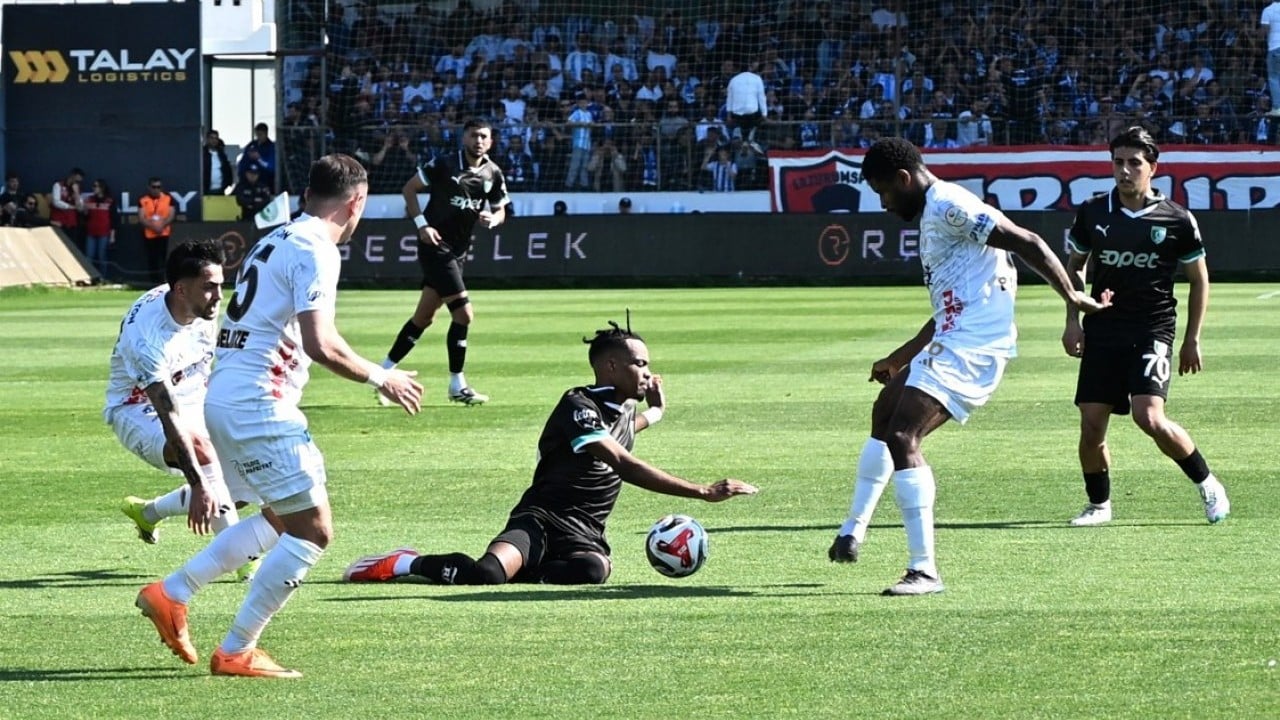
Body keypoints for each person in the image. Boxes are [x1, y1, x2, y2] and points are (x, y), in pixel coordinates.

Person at [134, 154, 423, 679]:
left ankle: (171, 592)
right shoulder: (318, 249)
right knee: (313, 532)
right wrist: (385, 377)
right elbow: (322, 344)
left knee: (279, 517)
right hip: (258, 408)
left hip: (226, 398)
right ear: (356, 202)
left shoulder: (276, 236)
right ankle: (237, 649)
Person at [828, 137, 1112, 595]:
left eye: (883, 191)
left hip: (972, 349)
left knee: (904, 435)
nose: (882, 204)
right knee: (885, 413)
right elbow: (953, 303)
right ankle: (851, 530)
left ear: (904, 179)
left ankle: (924, 570)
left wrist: (1071, 296)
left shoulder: (947, 205)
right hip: (955, 338)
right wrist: (901, 357)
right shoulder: (938, 212)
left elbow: (1029, 241)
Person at [344, 321, 759, 586]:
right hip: (539, 519)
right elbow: (621, 462)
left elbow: (639, 422)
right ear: (611, 368)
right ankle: (406, 563)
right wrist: (703, 492)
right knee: (486, 575)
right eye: (640, 364)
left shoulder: (626, 411)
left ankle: (525, 570)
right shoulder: (577, 405)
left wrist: (658, 408)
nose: (648, 371)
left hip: (583, 534)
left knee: (594, 571)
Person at [1062, 126, 1230, 527]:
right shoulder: (1092, 212)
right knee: (1091, 426)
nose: (1124, 170)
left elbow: (1199, 279)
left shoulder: (1176, 218)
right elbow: (1075, 268)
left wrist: (1192, 339)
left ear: (1152, 167)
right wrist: (1073, 320)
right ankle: (1099, 505)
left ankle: (1208, 484)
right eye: (1118, 162)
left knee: (1149, 418)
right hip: (1102, 328)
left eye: (1134, 163)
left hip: (1152, 329)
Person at [106, 240, 249, 560]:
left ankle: (149, 512)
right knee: (202, 456)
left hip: (190, 391)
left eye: (220, 285)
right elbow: (167, 413)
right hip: (136, 408)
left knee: (239, 479)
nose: (219, 295)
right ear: (182, 290)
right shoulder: (147, 339)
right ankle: (242, 559)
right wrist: (197, 483)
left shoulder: (198, 303)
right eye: (210, 287)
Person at [377, 118, 510, 407]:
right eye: (474, 135)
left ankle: (382, 374)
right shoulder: (444, 163)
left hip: (459, 252)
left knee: (424, 318)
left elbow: (501, 209)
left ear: (491, 141)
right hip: (435, 247)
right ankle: (456, 384)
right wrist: (422, 225)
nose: (479, 141)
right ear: (464, 138)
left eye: (484, 136)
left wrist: (493, 219)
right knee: (464, 315)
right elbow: (409, 189)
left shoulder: (493, 173)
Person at [139, 177, 176, 285]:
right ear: (149, 187)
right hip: (150, 234)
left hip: (164, 233)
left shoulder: (168, 198)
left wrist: (161, 226)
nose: (156, 189)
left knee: (165, 258)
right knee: (152, 259)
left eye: (159, 187)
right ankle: (153, 282)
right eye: (154, 187)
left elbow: (171, 214)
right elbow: (141, 217)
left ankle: (165, 281)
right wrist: (153, 227)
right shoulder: (143, 200)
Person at [725, 60, 768, 154]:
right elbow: (761, 97)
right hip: (752, 114)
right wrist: (765, 114)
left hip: (737, 114)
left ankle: (745, 140)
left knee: (741, 123)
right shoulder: (757, 78)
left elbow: (729, 99)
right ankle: (750, 141)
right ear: (749, 67)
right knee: (757, 120)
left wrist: (728, 116)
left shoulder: (733, 80)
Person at [82, 179, 119, 279]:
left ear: (102, 188)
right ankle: (89, 278)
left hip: (104, 233)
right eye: (93, 186)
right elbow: (85, 217)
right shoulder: (89, 199)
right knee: (89, 257)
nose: (93, 188)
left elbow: (114, 219)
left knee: (102, 257)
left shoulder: (110, 200)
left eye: (96, 186)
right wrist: (85, 210)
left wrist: (112, 236)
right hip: (91, 233)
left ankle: (103, 278)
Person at [50, 167, 86, 250]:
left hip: (71, 223)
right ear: (72, 176)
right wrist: (70, 207)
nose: (77, 183)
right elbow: (56, 202)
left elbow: (80, 208)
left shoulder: (77, 190)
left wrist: (76, 193)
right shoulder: (58, 185)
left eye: (79, 182)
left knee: (71, 247)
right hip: (58, 221)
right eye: (76, 181)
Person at [1262, 0, 1280, 117]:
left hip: (1275, 48)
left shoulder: (1268, 10)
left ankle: (1277, 108)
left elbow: (1265, 31)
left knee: (1274, 78)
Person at [204, 130, 235, 195]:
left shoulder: (222, 155)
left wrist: (228, 183)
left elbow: (227, 169)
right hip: (205, 190)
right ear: (207, 139)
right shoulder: (202, 154)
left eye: (216, 138)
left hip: (220, 190)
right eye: (211, 138)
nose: (214, 140)